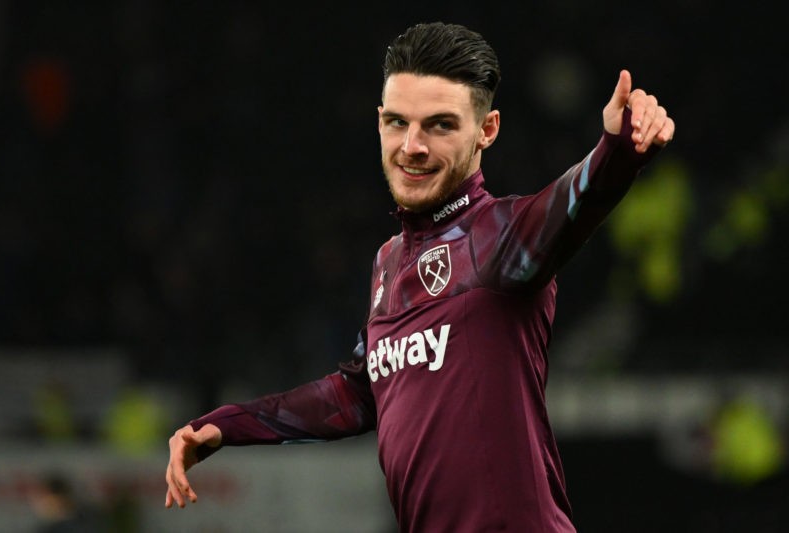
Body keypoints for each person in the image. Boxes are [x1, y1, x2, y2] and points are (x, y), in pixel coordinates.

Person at [165, 21, 674, 532]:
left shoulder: (499, 235)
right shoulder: (388, 261)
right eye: (397, 122)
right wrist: (225, 426)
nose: (412, 145)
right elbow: (358, 394)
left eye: (440, 125)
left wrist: (618, 152)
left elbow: (571, 205)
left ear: (486, 130)